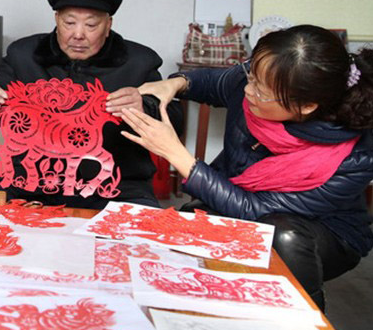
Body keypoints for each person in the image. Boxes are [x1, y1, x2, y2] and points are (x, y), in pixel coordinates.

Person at [120, 25, 373, 310]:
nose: (248, 91)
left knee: (281, 237)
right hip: (241, 203)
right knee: (184, 230)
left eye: (261, 91)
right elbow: (214, 82)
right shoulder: (256, 85)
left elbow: (256, 210)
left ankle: (304, 316)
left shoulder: (353, 158)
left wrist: (176, 154)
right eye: (251, 76)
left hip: (319, 235)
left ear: (306, 106)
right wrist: (176, 84)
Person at [0, 0, 182, 209]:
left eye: (91, 24)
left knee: (139, 238)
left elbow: (174, 119)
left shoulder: (139, 63)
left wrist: (145, 106)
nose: (78, 34)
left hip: (115, 188)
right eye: (69, 23)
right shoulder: (23, 55)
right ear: (57, 19)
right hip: (28, 184)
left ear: (108, 25)